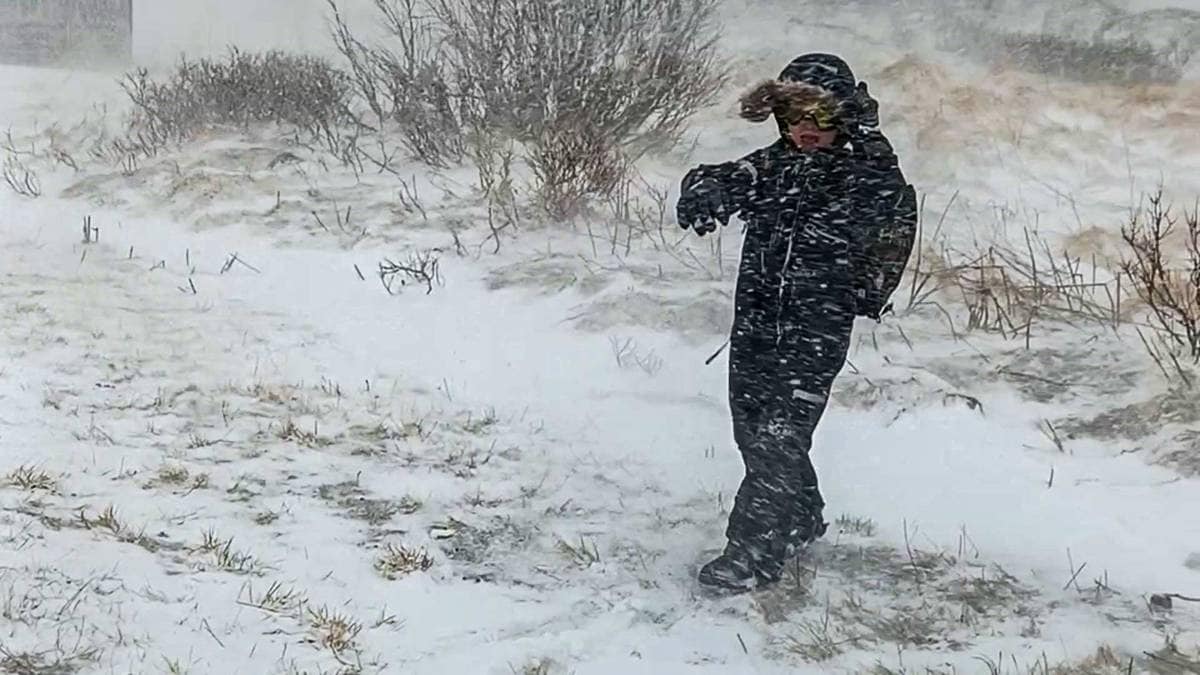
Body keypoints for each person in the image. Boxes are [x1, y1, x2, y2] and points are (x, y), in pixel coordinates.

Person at [676, 53, 918, 593]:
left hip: (817, 329)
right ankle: (801, 516)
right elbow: (727, 176)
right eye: (794, 117)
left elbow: (892, 203)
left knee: (780, 437)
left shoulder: (863, 174)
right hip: (757, 326)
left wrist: (867, 133)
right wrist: (702, 190)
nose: (806, 130)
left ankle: (753, 553)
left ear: (843, 119)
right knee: (752, 430)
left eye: (820, 118)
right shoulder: (774, 166)